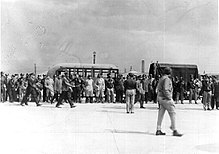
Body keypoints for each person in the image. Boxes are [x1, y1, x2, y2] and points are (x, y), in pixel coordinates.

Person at [156, 67, 183, 137]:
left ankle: (158, 129)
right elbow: (166, 89)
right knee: (173, 113)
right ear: (170, 72)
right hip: (166, 99)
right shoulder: (167, 79)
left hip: (161, 98)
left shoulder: (161, 78)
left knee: (160, 114)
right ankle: (174, 129)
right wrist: (169, 97)